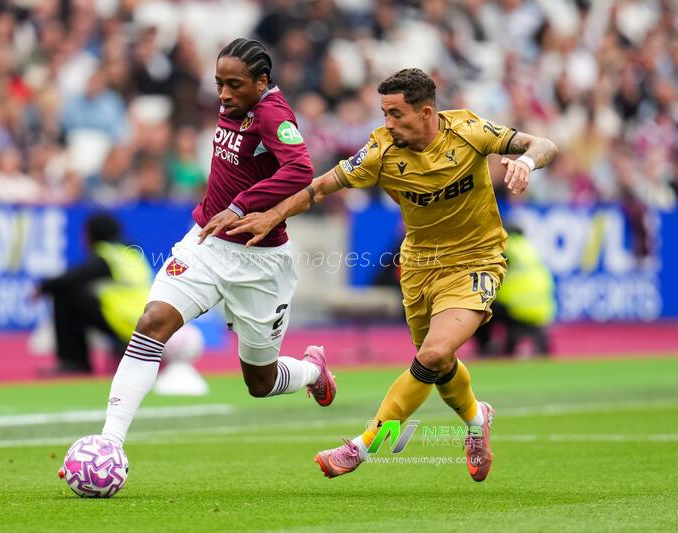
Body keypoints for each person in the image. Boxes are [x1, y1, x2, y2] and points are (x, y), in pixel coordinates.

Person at [228, 68, 558, 481]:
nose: (387, 123)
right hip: (419, 268)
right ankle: (477, 420)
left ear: (426, 113)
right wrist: (272, 215)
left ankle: (362, 445)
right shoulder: (380, 151)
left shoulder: (468, 131)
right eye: (384, 113)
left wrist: (526, 161)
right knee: (437, 362)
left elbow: (544, 144)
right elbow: (322, 186)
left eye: (396, 114)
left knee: (432, 355)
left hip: (476, 260)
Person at [96, 38, 337, 449]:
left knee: (260, 382)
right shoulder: (235, 105)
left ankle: (312, 371)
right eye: (219, 83)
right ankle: (109, 443)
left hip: (260, 261)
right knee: (151, 323)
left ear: (262, 81)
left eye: (234, 85)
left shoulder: (273, 114)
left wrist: (240, 206)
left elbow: (300, 169)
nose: (224, 94)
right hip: (206, 243)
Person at [37, 213, 151, 374]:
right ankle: (121, 347)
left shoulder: (108, 255)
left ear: (93, 235)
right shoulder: (132, 253)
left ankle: (73, 362)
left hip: (124, 323)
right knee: (81, 294)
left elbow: (71, 277)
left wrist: (41, 288)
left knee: (65, 293)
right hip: (145, 322)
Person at [475, 225, 556, 357]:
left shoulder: (504, 249)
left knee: (475, 304)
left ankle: (485, 346)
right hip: (543, 310)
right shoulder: (528, 248)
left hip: (516, 308)